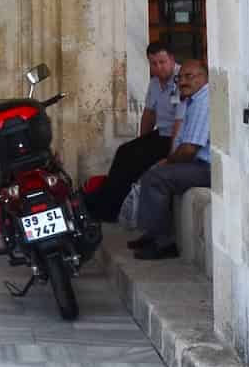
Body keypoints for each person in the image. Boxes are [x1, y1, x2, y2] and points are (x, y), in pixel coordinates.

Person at [86, 42, 180, 223]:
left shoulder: (182, 79)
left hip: (177, 137)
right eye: (153, 63)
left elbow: (181, 120)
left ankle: (108, 210)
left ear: (172, 60)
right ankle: (106, 206)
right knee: (125, 151)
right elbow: (149, 114)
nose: (158, 67)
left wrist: (173, 152)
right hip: (161, 134)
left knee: (135, 159)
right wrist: (141, 142)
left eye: (162, 62)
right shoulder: (154, 83)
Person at [129, 58, 211, 259]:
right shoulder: (194, 100)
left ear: (204, 78)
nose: (183, 82)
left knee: (156, 178)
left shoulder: (204, 101)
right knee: (149, 170)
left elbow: (190, 149)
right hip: (197, 163)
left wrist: (168, 161)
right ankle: (152, 233)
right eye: (180, 77)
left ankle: (164, 243)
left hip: (207, 168)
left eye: (189, 77)